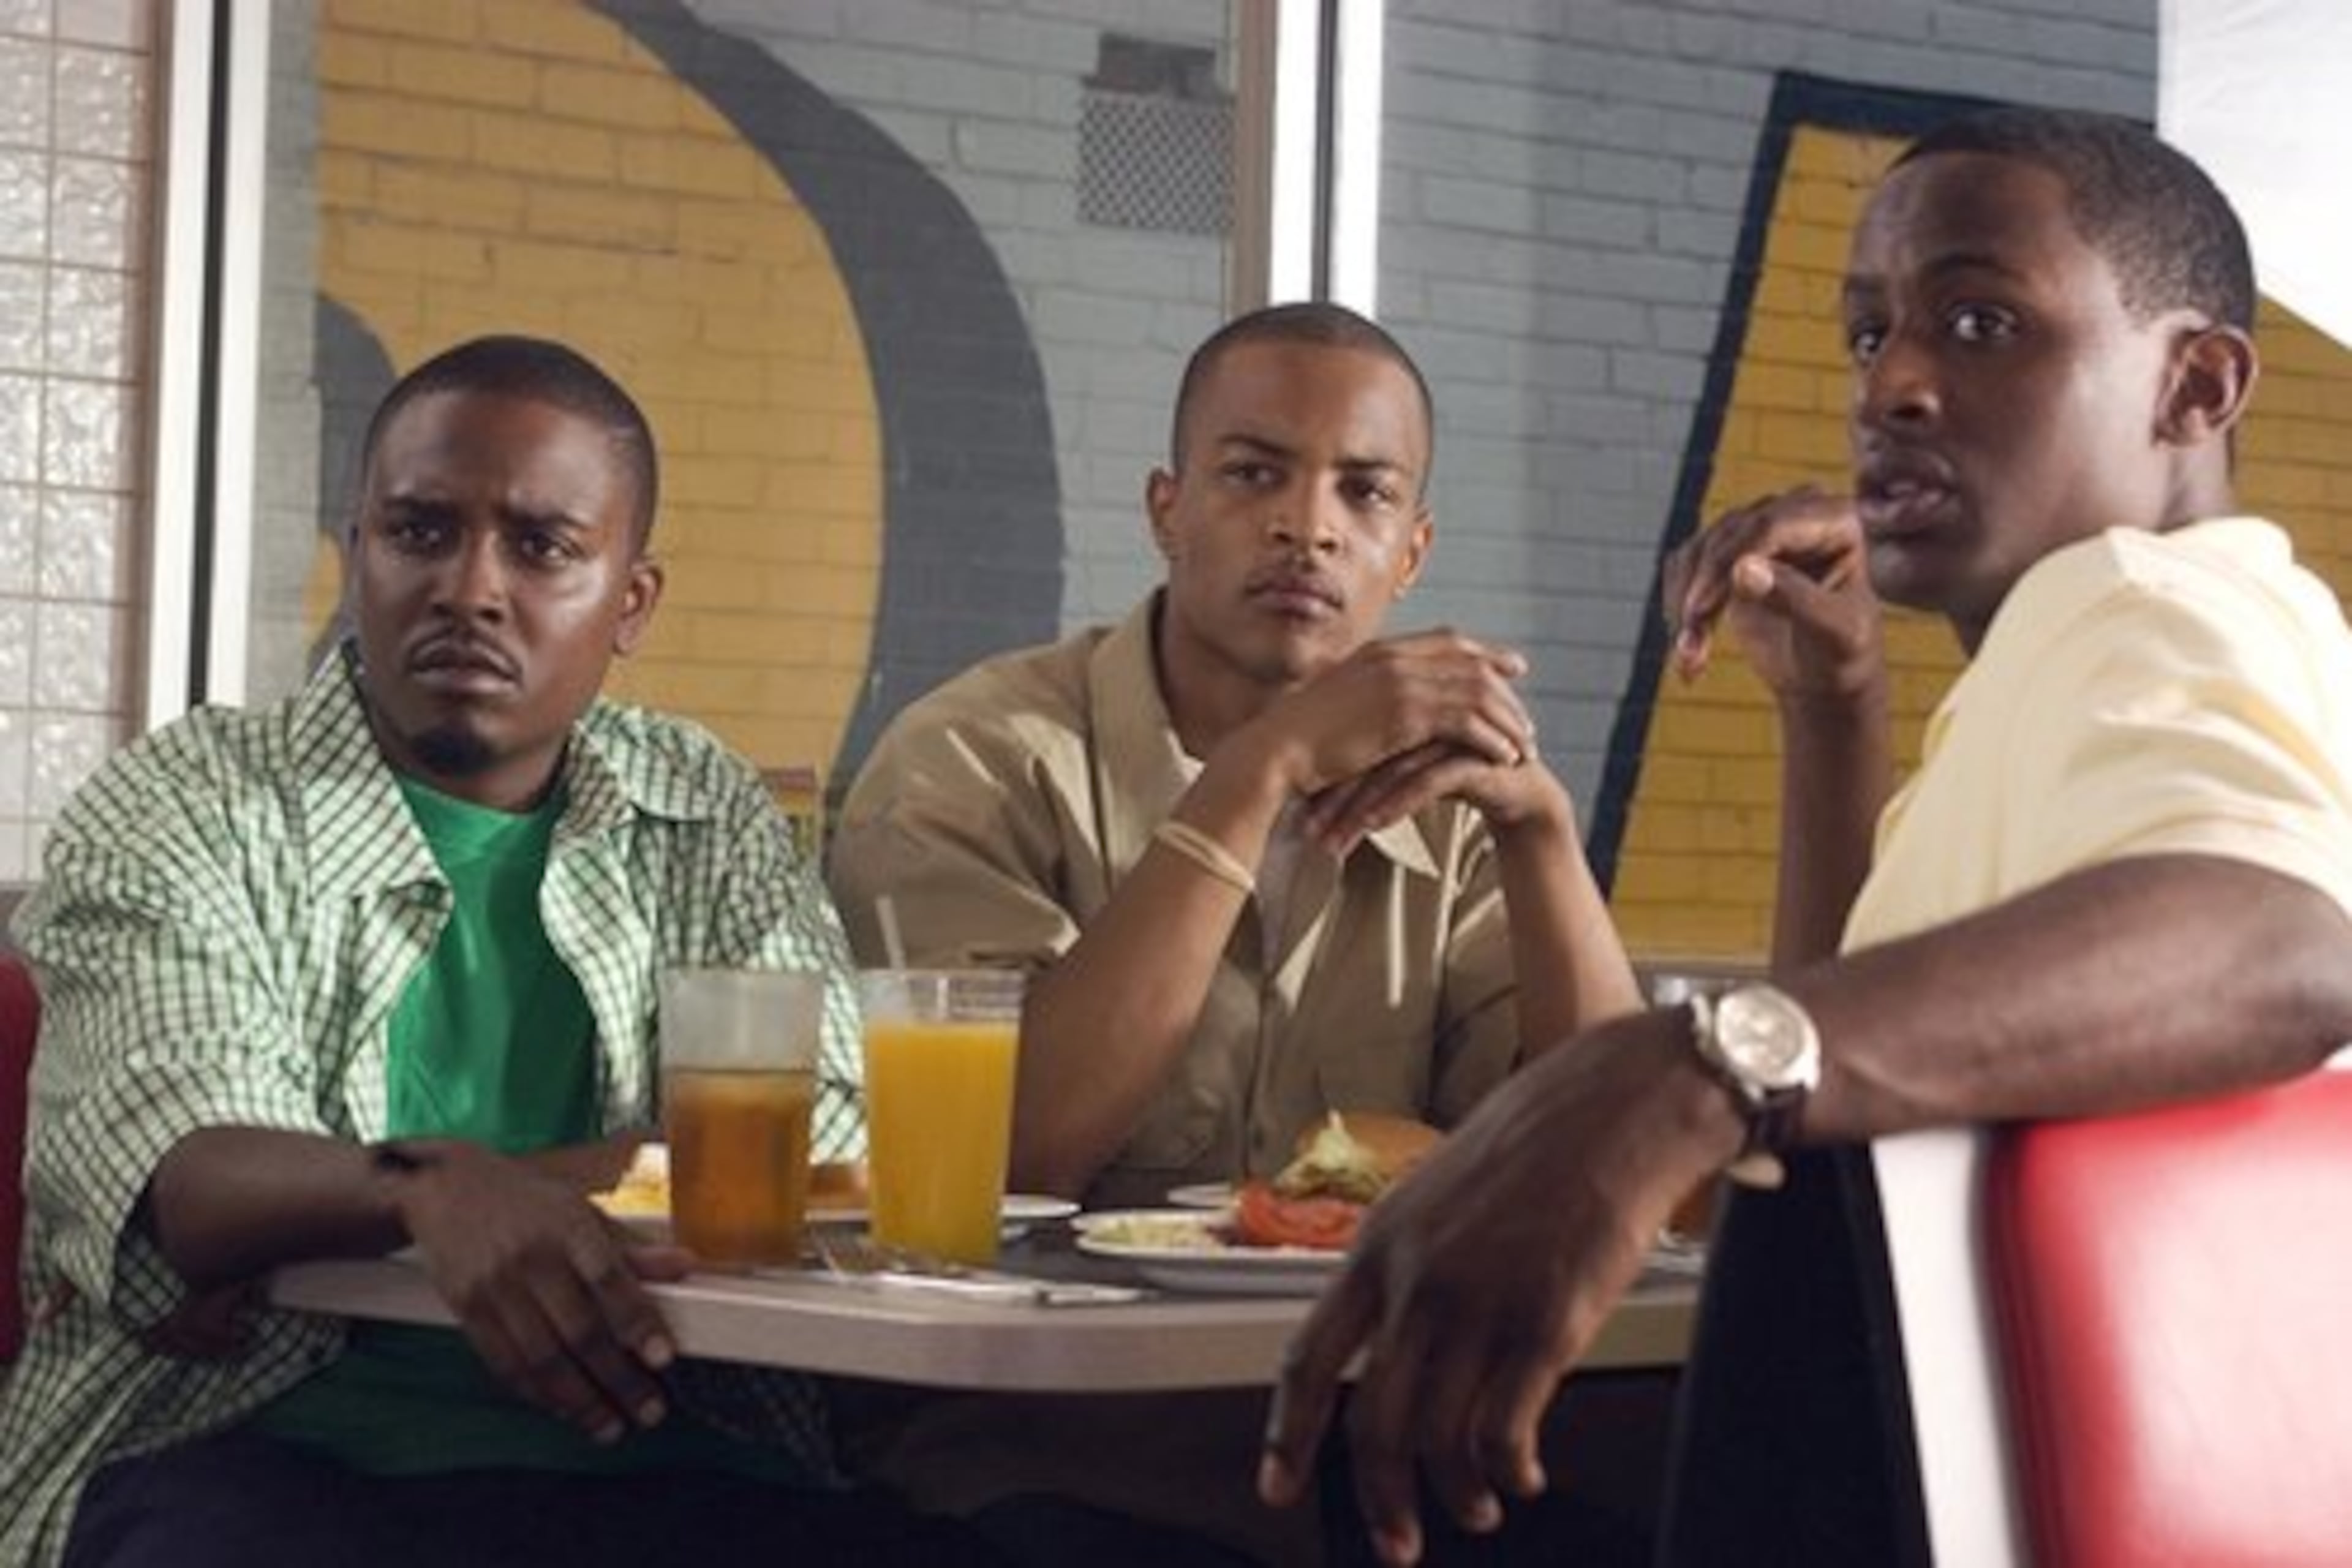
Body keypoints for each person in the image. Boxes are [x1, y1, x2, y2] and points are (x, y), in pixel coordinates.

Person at [1259, 107, 2352, 1568]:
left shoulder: (2141, 607)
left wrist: (1690, 1061)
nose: (1893, 381)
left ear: (2196, 386)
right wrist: (1835, 716)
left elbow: (2279, 941)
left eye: (1979, 321)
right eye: (1869, 335)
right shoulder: (2101, 661)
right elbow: (1855, 1157)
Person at [0, 336, 1003, 1567]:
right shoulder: (192, 798)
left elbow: (829, 1142)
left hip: (666, 1450)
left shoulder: (700, 803)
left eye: (542, 548)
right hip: (259, 1443)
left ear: (629, 603)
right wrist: (433, 1189)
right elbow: (200, 1179)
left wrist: (425, 1196)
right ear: (357, 548)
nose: (471, 588)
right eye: (420, 530)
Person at [824, 303, 1644, 1566]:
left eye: (1362, 494)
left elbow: (1605, 1165)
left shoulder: (1459, 798)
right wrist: (1255, 775)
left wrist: (1540, 832)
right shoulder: (971, 759)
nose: (1307, 525)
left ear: (1410, 551)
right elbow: (1008, 1147)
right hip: (1052, 1450)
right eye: (1254, 472)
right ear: (1167, 509)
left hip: (1381, 1447)